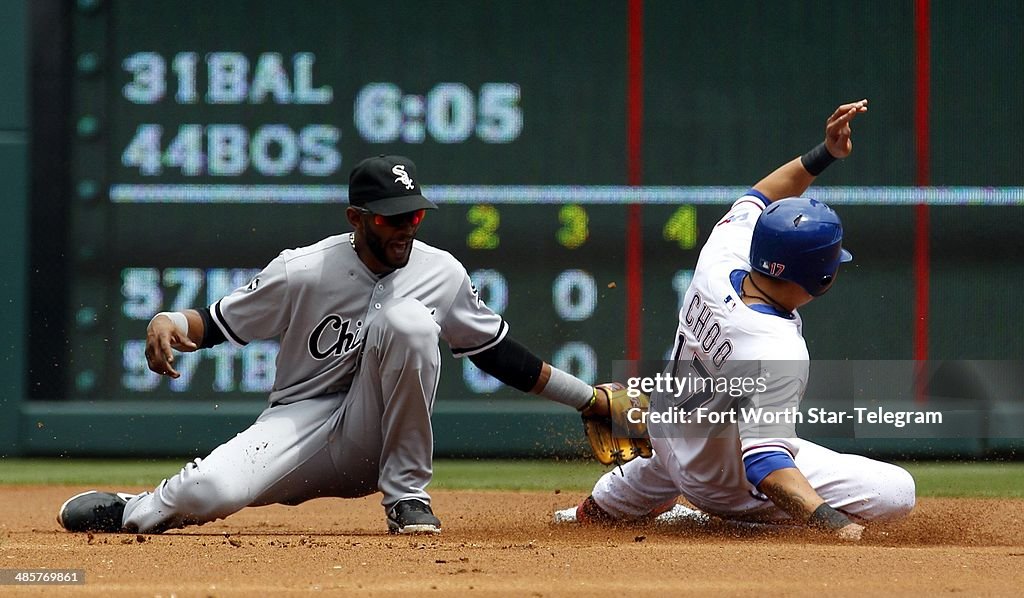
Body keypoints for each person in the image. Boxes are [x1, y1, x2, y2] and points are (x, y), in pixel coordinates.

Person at [58, 154, 606, 535]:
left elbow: (499, 352)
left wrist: (589, 399)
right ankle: (138, 509)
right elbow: (217, 323)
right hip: (299, 428)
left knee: (411, 322)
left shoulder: (442, 273)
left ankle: (408, 498)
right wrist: (170, 318)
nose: (406, 228)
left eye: (413, 215)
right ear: (356, 218)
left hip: (381, 435)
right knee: (211, 492)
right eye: (392, 217)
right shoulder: (305, 269)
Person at [564, 100, 915, 540]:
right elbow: (766, 466)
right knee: (898, 491)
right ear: (821, 278)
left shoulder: (723, 250)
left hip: (663, 436)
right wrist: (837, 526)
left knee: (595, 517)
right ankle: (703, 518)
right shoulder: (777, 350)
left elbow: (764, 193)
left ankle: (602, 507)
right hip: (719, 485)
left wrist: (824, 153)